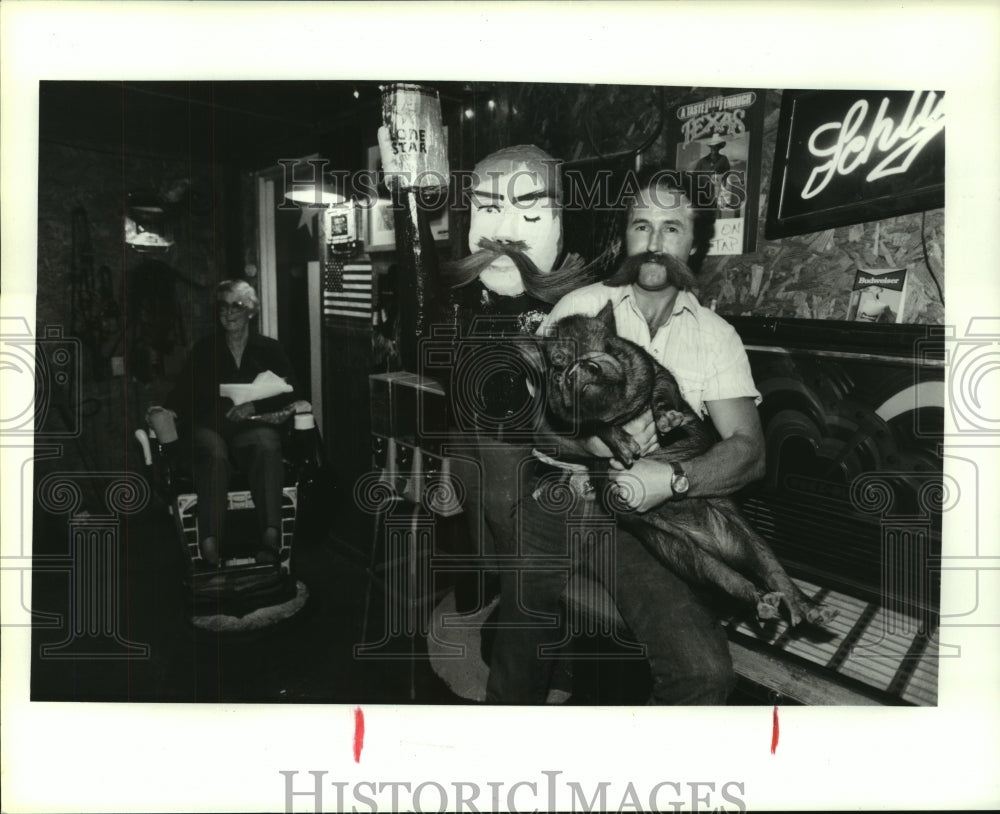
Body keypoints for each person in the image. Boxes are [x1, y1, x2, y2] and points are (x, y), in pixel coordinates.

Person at [485, 166, 764, 704]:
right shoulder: (581, 308)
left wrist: (675, 479)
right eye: (642, 226)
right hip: (558, 497)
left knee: (703, 672)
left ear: (696, 242)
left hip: (641, 522)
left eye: (672, 228)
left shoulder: (716, 337)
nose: (654, 244)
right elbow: (530, 421)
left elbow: (750, 452)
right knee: (519, 653)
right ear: (626, 236)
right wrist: (587, 442)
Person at [441, 146, 595, 612]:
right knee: (473, 507)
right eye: (488, 208)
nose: (502, 233)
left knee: (508, 519)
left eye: (529, 216)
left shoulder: (570, 304)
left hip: (514, 433)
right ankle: (491, 588)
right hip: (464, 419)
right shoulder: (471, 288)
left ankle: (520, 612)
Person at [154, 279, 302, 568]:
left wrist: (254, 405)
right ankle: (209, 543)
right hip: (210, 426)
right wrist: (168, 410)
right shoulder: (205, 348)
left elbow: (293, 389)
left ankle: (271, 536)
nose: (229, 313)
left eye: (237, 305)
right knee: (213, 452)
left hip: (250, 427)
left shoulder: (268, 349)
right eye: (223, 306)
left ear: (251, 311)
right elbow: (183, 392)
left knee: (268, 443)